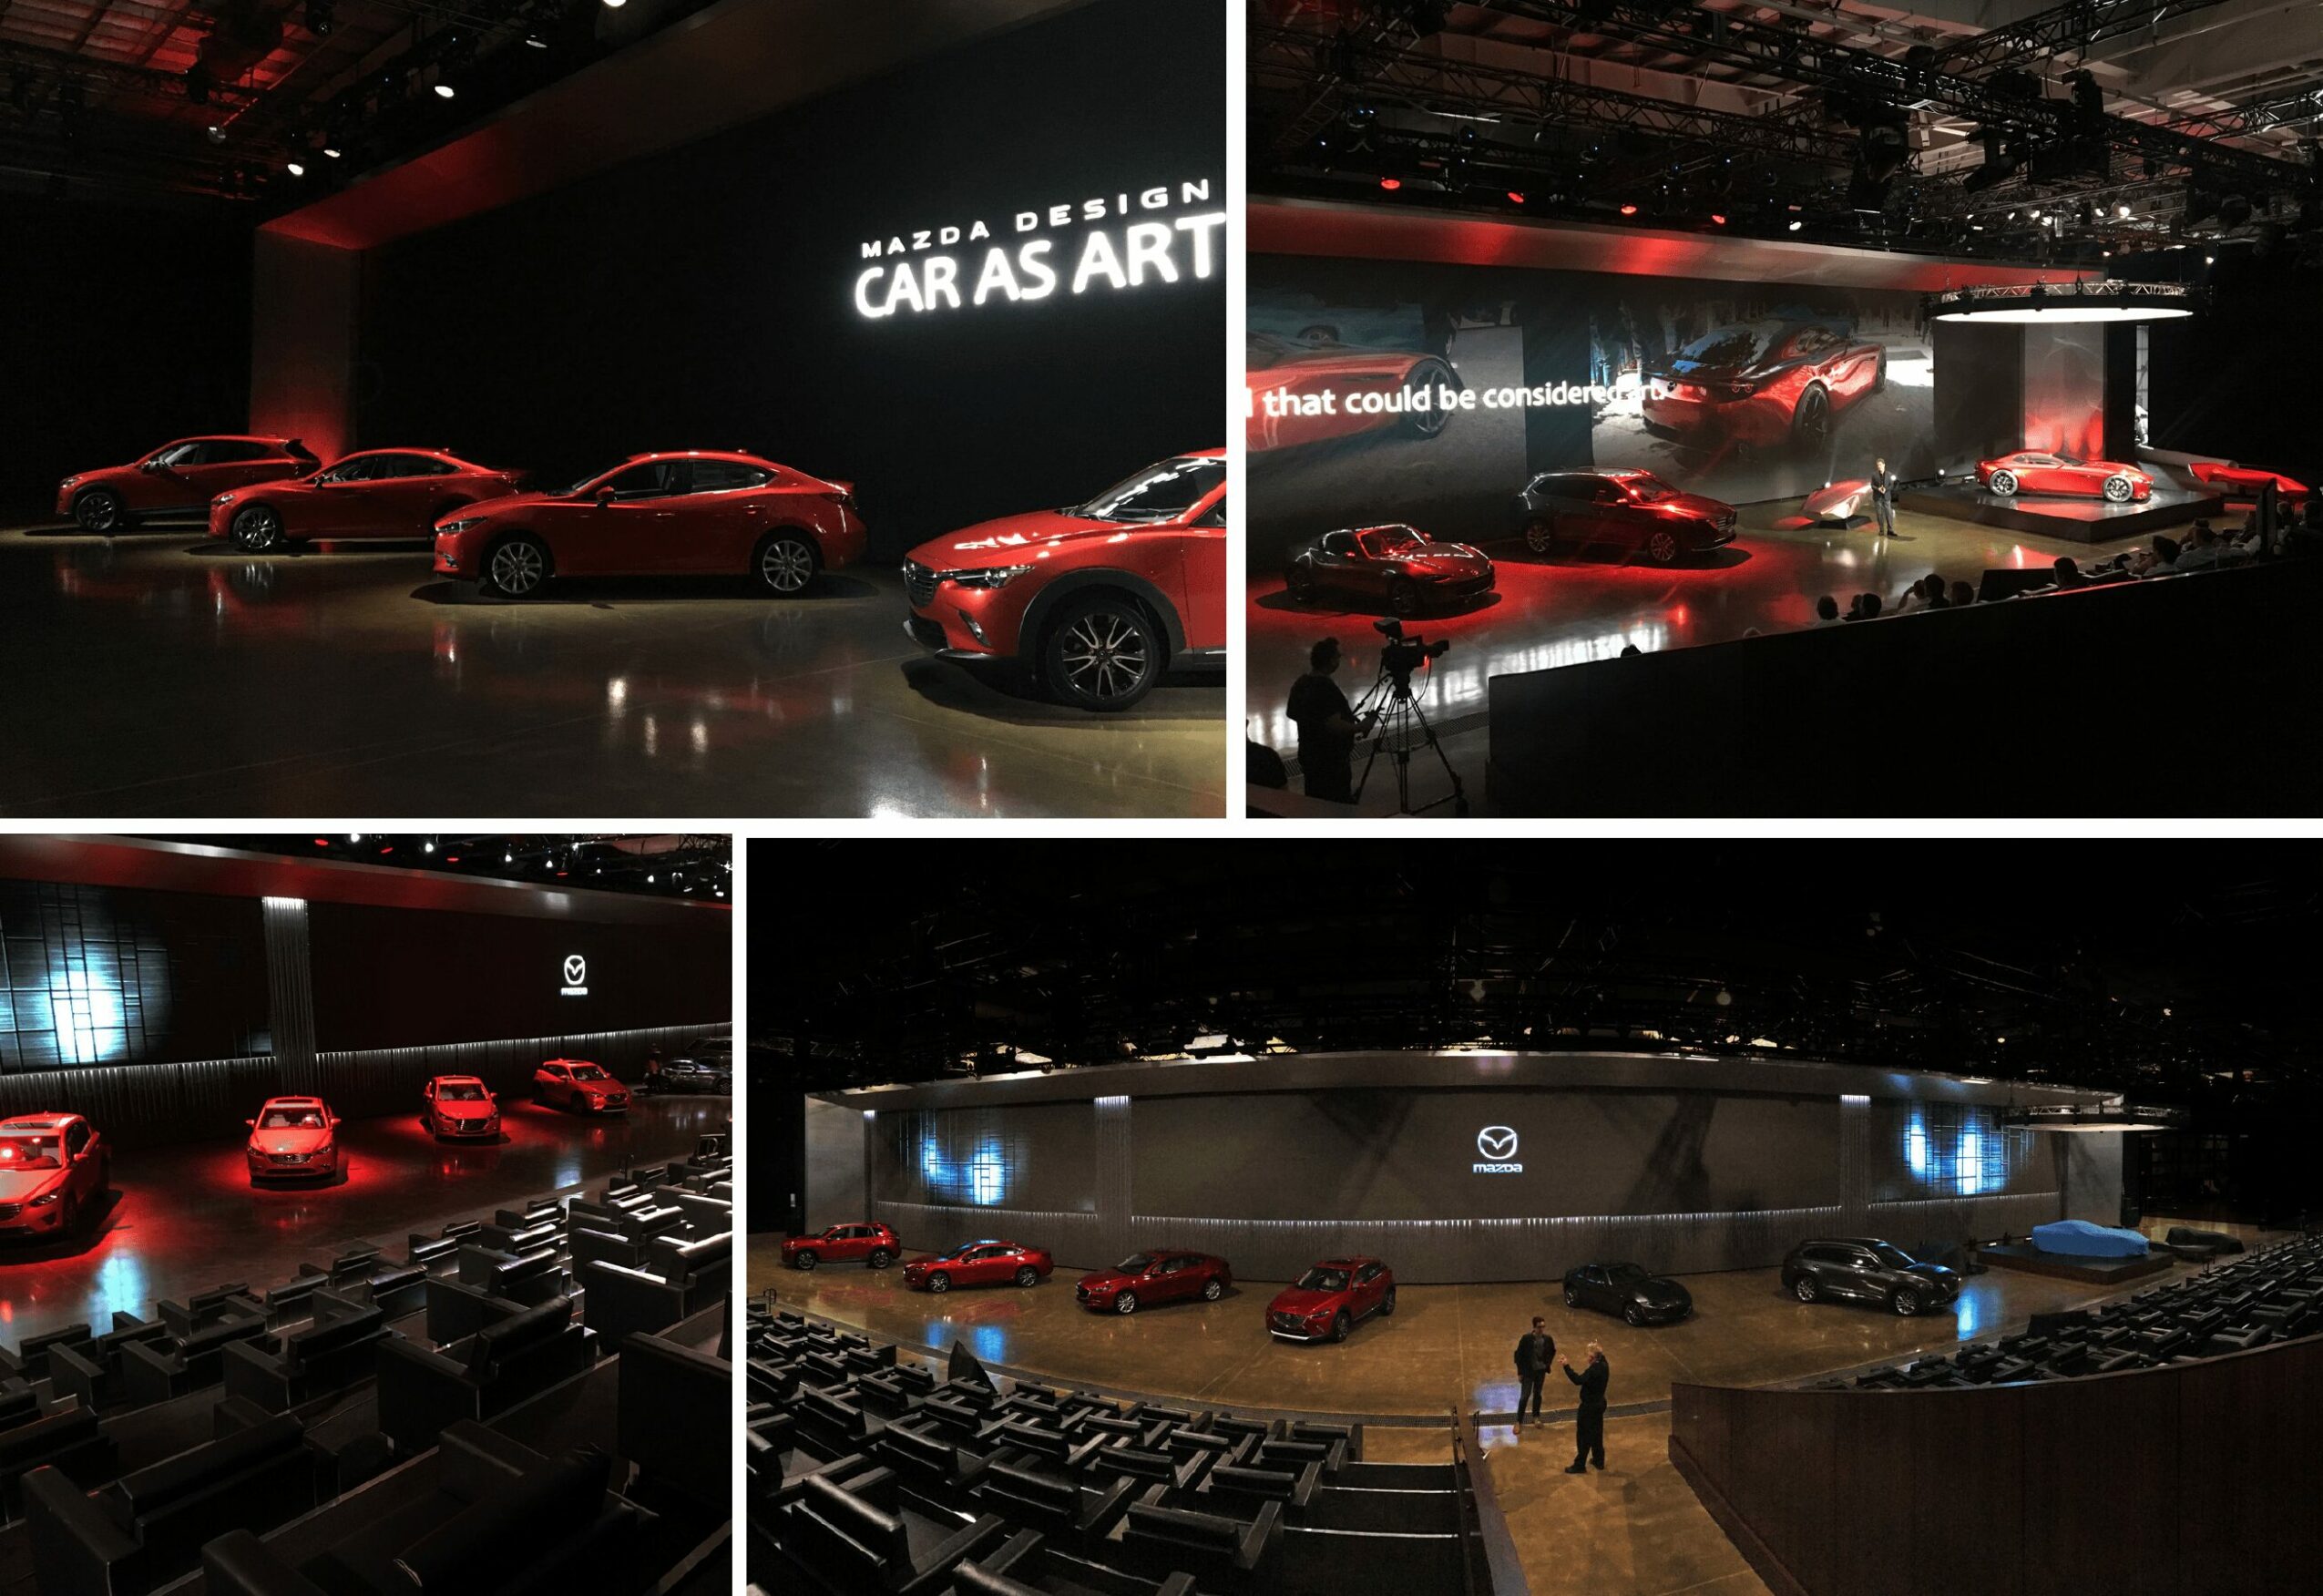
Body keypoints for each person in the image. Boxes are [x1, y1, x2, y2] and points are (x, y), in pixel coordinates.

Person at [1286, 638, 1374, 803]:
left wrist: (1312, 721)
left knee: (1315, 802)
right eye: (1337, 657)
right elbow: (1334, 726)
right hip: (1331, 761)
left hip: (1309, 755)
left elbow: (1291, 713)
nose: (1339, 661)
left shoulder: (1301, 683)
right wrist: (1362, 726)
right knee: (1336, 803)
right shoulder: (1325, 688)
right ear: (1330, 660)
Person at [1561, 1344, 1610, 1473]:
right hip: (1600, 1403)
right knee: (1597, 1432)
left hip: (1589, 1407)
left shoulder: (1593, 1371)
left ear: (1593, 1358)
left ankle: (1579, 1464)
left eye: (1589, 1356)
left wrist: (1566, 1366)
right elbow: (1601, 1355)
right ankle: (1599, 1460)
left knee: (1583, 1435)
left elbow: (1578, 1380)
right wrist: (1597, 1348)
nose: (1587, 1359)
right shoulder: (1604, 1365)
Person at [1512, 1315, 1556, 1427]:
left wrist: (1547, 1363)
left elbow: (1552, 1351)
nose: (1541, 1329)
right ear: (1534, 1327)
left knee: (1538, 1394)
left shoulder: (1547, 1339)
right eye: (1539, 1327)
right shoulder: (1526, 1339)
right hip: (1528, 1372)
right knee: (1525, 1395)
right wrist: (1520, 1372)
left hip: (1540, 1372)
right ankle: (1518, 1420)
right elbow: (1519, 1356)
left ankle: (1536, 1417)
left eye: (1543, 1327)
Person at [1869, 457, 1897, 537]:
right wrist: (1878, 489)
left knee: (1889, 514)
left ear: (1884, 465)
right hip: (1878, 497)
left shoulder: (1889, 474)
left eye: (1880, 465)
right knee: (1879, 514)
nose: (1879, 467)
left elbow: (1892, 485)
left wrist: (1886, 489)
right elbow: (1872, 485)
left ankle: (1890, 530)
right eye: (1878, 465)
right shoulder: (1874, 475)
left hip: (1886, 497)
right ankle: (1881, 530)